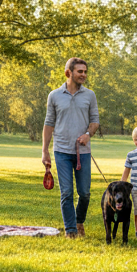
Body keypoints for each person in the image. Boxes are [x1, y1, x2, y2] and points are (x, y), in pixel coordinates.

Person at [42, 57, 99, 238]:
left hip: (82, 152)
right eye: (80, 71)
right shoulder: (54, 95)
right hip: (61, 151)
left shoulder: (90, 95)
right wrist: (45, 150)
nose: (84, 75)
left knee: (85, 193)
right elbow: (49, 123)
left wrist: (87, 135)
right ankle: (71, 230)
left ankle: (79, 221)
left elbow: (95, 121)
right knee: (66, 192)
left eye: (85, 71)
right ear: (69, 73)